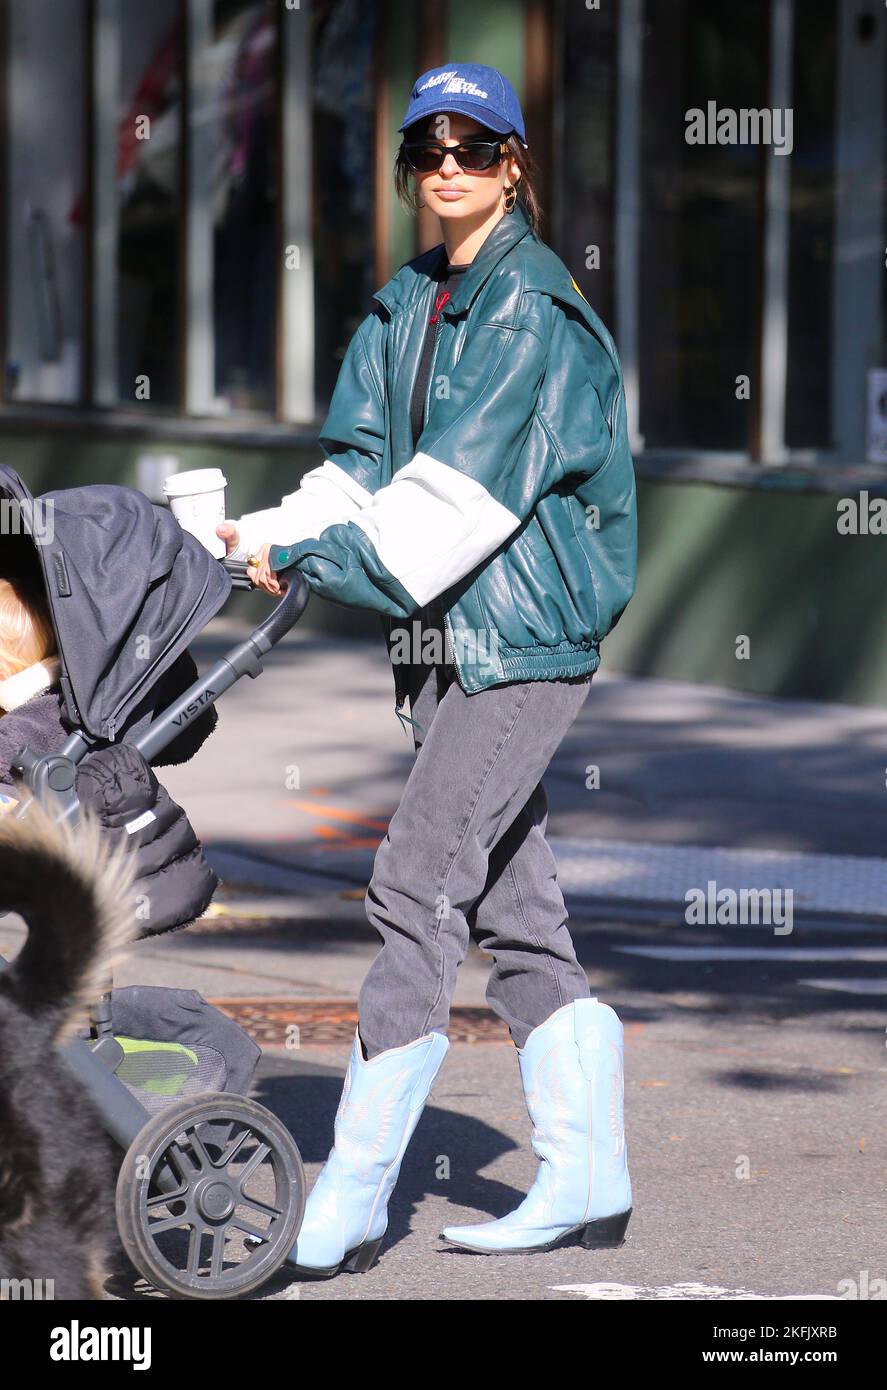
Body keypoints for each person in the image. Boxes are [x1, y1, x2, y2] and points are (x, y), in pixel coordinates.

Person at [218, 62, 637, 1276]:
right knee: (514, 906)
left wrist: (312, 547)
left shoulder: (528, 315)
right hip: (454, 645)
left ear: (515, 165)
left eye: (473, 145)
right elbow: (358, 468)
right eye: (426, 147)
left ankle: (347, 1199)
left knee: (413, 887)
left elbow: (438, 514)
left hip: (517, 640)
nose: (445, 165)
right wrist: (261, 530)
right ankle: (587, 1171)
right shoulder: (409, 300)